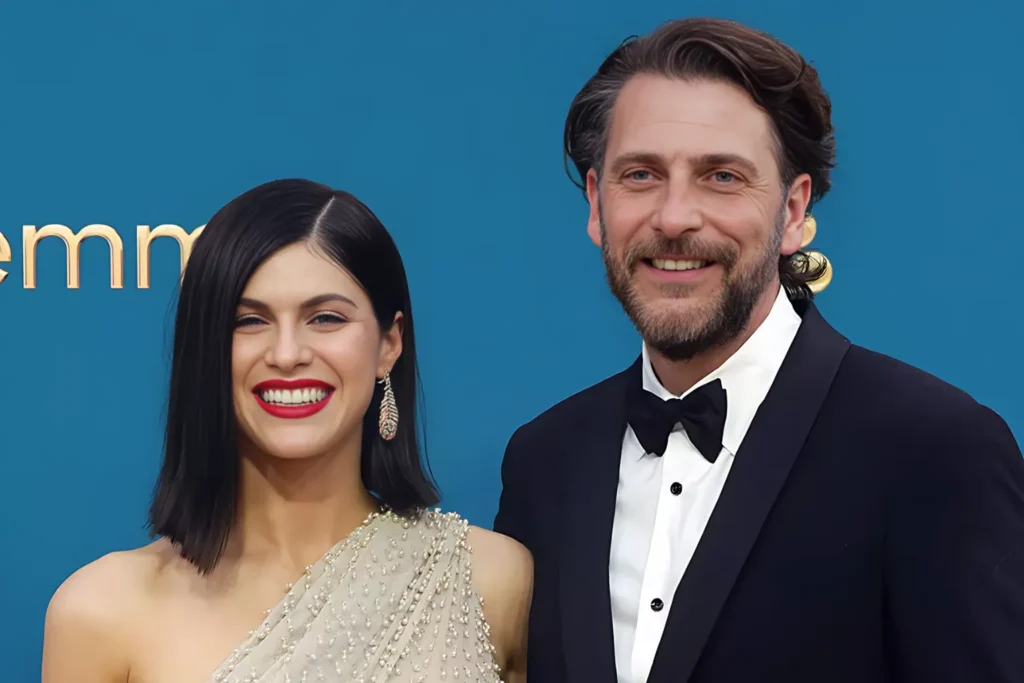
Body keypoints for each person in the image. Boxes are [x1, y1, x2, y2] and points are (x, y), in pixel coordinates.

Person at [493, 16, 1024, 683]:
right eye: (641, 174)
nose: (675, 217)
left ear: (793, 211)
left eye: (721, 176)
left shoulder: (936, 449)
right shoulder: (543, 463)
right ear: (598, 205)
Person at [41, 179, 532, 683]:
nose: (287, 354)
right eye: (249, 321)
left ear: (389, 343)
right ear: (205, 350)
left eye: (325, 318)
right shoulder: (102, 612)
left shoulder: (492, 580)